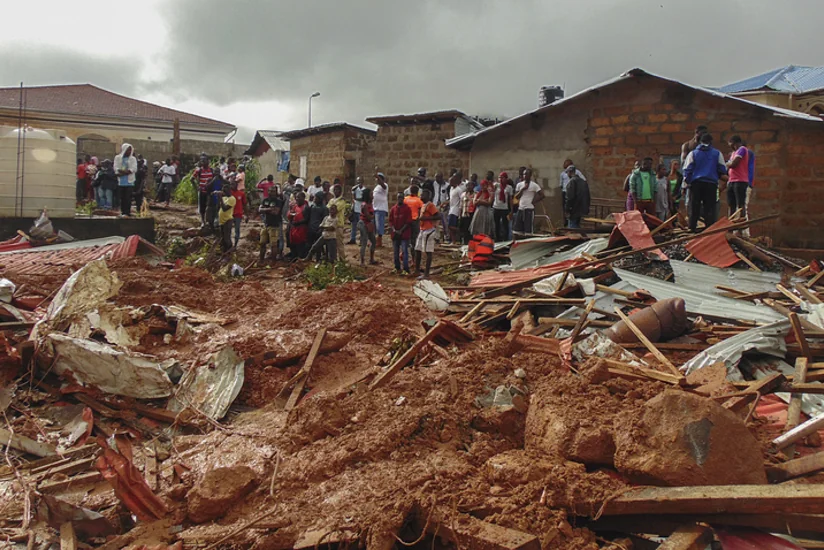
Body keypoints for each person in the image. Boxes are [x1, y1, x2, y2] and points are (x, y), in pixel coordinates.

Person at [683, 132, 727, 232]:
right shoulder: (717, 153)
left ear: (700, 142)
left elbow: (687, 169)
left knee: (694, 206)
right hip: (711, 183)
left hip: (696, 183)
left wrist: (688, 183)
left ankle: (692, 227)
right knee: (709, 207)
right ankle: (709, 229)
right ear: (711, 142)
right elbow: (722, 168)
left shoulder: (693, 153)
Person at [415, 189, 441, 279]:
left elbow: (438, 216)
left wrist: (426, 218)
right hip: (422, 229)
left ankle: (426, 274)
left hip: (429, 230)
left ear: (428, 196)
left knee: (428, 251)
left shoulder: (430, 205)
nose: (421, 196)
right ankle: (417, 270)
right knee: (417, 249)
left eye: (423, 195)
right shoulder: (423, 205)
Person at [725, 135, 750, 221]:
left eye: (731, 144)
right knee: (731, 205)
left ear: (734, 143)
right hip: (731, 180)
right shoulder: (733, 153)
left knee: (740, 204)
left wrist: (727, 164)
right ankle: (730, 225)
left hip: (740, 181)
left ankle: (742, 224)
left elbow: (734, 164)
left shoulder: (742, 149)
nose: (731, 147)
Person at [514, 169, 544, 236]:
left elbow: (542, 195)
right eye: (524, 174)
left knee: (528, 231)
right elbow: (516, 197)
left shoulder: (534, 185)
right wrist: (522, 189)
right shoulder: (519, 185)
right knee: (517, 231)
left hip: (529, 209)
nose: (525, 176)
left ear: (530, 175)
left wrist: (534, 201)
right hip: (521, 209)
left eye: (527, 174)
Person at [259, 185, 284, 263]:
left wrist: (265, 209)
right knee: (262, 243)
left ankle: (273, 262)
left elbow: (276, 212)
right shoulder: (265, 200)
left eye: (273, 191)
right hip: (266, 224)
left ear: (276, 192)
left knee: (273, 244)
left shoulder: (278, 201)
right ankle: (261, 260)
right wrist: (269, 209)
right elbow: (259, 210)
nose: (271, 192)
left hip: (274, 225)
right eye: (269, 191)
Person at [389, 192, 412, 274]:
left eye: (402, 198)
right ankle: (397, 267)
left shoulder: (407, 209)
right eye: (399, 197)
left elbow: (408, 221)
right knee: (395, 252)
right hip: (395, 234)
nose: (400, 199)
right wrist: (394, 230)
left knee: (405, 251)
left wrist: (401, 230)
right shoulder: (393, 209)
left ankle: (406, 269)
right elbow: (390, 221)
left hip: (404, 234)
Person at [114, 143, 137, 217]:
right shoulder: (118, 158)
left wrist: (123, 172)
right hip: (121, 182)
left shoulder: (132, 159)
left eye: (130, 150)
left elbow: (133, 169)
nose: (129, 152)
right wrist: (123, 172)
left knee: (128, 198)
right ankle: (123, 212)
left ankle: (127, 212)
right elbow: (116, 168)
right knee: (122, 198)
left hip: (129, 182)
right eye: (128, 150)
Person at [327, 183, 349, 262]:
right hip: (330, 225)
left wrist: (331, 208)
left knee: (339, 244)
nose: (336, 191)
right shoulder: (332, 200)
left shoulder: (342, 201)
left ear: (340, 191)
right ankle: (333, 260)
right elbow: (329, 209)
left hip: (338, 225)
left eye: (338, 190)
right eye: (335, 190)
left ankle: (342, 261)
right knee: (331, 245)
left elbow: (334, 210)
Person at [560, 159, 586, 226]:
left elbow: (570, 198)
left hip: (573, 195)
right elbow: (561, 185)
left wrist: (568, 209)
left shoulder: (573, 181)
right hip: (567, 192)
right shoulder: (563, 174)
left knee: (573, 217)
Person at [564, 165, 591, 229]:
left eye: (567, 172)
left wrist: (567, 209)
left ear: (570, 172)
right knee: (577, 224)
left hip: (574, 209)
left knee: (572, 227)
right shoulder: (583, 182)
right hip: (582, 208)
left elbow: (570, 197)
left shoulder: (572, 182)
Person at [287, 191, 310, 259]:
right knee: (293, 245)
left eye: (298, 197)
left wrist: (297, 222)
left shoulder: (306, 207)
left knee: (300, 246)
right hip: (293, 230)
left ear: (303, 198)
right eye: (296, 197)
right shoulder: (295, 206)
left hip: (301, 230)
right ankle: (294, 258)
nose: (297, 199)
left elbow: (306, 219)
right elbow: (289, 215)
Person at [307, 191, 329, 261]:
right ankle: (309, 259)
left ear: (320, 198)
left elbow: (325, 220)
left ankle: (318, 260)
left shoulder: (324, 208)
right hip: (311, 229)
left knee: (318, 247)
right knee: (309, 245)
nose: (314, 199)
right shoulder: (312, 206)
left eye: (316, 198)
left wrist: (321, 229)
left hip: (318, 229)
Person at [194, 159, 216, 228]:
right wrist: (197, 187)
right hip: (202, 191)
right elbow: (192, 179)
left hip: (210, 192)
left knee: (210, 207)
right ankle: (203, 221)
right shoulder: (199, 170)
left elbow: (216, 178)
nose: (203, 162)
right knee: (202, 207)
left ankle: (210, 221)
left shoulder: (212, 170)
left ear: (208, 162)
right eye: (202, 161)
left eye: (204, 161)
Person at [359, 188, 378, 265]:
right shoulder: (365, 205)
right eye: (371, 194)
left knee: (373, 241)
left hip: (368, 223)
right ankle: (362, 261)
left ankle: (371, 259)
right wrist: (374, 215)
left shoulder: (370, 204)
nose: (372, 195)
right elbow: (368, 217)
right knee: (364, 242)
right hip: (364, 223)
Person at [492, 171, 512, 241]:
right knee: (496, 225)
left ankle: (505, 240)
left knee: (505, 225)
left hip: (504, 208)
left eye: (502, 178)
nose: (500, 179)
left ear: (506, 179)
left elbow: (510, 199)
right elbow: (491, 191)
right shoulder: (496, 185)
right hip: (496, 207)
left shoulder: (509, 187)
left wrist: (511, 210)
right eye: (499, 178)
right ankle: (497, 239)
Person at [216, 183, 236, 253]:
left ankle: (230, 249)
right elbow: (219, 207)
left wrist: (220, 198)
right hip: (221, 220)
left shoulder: (232, 199)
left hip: (228, 220)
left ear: (229, 191)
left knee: (227, 237)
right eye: (223, 191)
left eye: (225, 191)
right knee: (223, 237)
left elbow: (224, 209)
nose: (224, 192)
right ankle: (224, 251)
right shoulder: (224, 198)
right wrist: (219, 199)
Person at [404, 185, 424, 250]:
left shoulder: (405, 199)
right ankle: (414, 248)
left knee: (406, 236)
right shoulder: (419, 200)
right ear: (418, 192)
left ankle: (405, 248)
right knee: (414, 236)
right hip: (414, 220)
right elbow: (422, 210)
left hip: (406, 220)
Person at [447, 172, 465, 244]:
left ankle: (461, 232)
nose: (449, 183)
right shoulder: (451, 189)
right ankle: (453, 241)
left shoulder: (459, 190)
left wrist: (460, 210)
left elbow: (461, 200)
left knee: (451, 226)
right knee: (450, 226)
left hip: (456, 209)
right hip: (451, 209)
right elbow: (451, 199)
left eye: (450, 181)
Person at [230, 178, 248, 248]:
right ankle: (229, 244)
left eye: (233, 184)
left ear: (236, 185)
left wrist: (246, 215)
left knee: (237, 230)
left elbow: (244, 204)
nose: (232, 186)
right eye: (231, 184)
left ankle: (235, 245)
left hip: (238, 214)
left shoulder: (241, 194)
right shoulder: (228, 193)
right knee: (229, 230)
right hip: (229, 214)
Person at [373, 172, 389, 248]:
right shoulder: (376, 187)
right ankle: (375, 241)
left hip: (380, 208)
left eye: (379, 178)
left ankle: (379, 242)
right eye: (376, 178)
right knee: (376, 226)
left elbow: (383, 185)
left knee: (380, 226)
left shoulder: (385, 185)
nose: (377, 180)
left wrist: (378, 177)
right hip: (375, 208)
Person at [350, 176, 365, 244]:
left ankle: (362, 240)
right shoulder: (355, 189)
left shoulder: (364, 189)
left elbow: (363, 199)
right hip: (355, 209)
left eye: (360, 181)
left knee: (361, 226)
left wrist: (356, 198)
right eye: (358, 181)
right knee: (353, 226)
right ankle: (352, 239)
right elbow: (353, 196)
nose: (359, 182)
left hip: (361, 210)